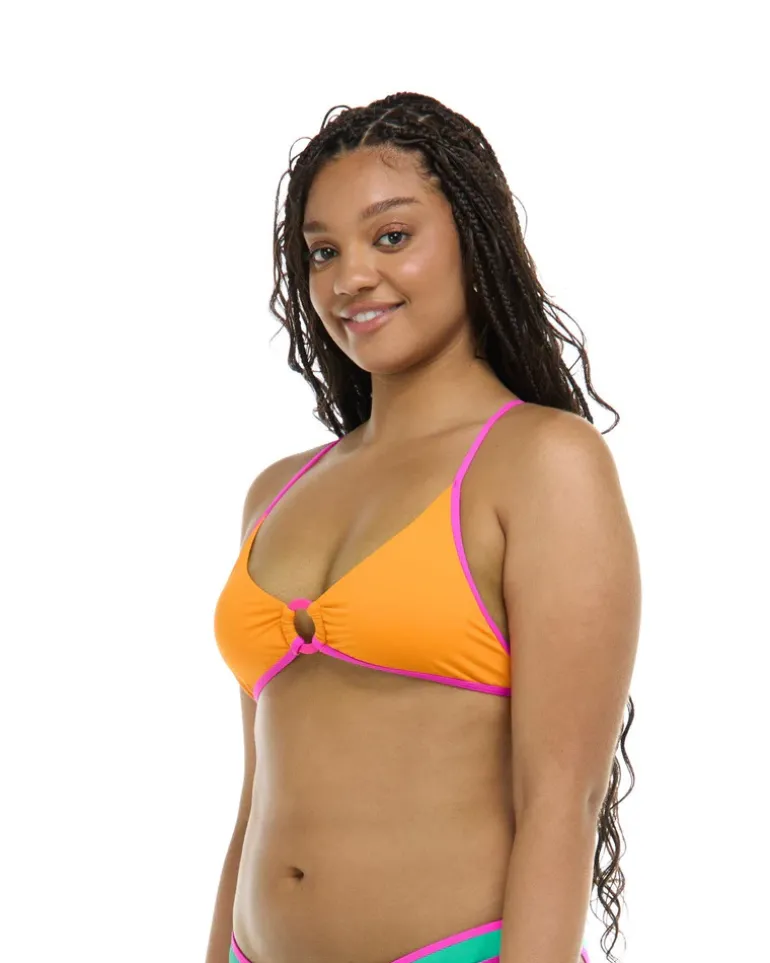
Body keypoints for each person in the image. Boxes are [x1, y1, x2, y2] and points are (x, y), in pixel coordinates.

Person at [206, 92, 641, 963]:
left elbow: (561, 803)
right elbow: (255, 801)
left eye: (392, 236)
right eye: (323, 251)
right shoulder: (276, 493)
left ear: (472, 240)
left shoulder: (542, 463)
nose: (350, 278)